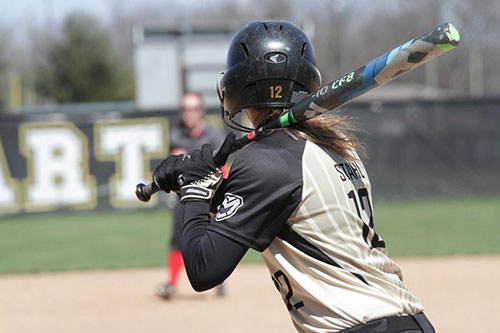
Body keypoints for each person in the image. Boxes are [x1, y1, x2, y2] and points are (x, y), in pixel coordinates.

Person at [152, 21, 435, 332]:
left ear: (235, 87)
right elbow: (265, 207)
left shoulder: (267, 161)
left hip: (360, 326)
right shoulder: (334, 147)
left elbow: (204, 268)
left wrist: (193, 191)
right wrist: (199, 185)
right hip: (399, 321)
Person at [155, 91, 226, 300]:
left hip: (211, 195)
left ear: (201, 111)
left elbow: (224, 166)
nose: (189, 113)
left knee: (213, 237)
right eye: (185, 109)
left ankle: (219, 282)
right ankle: (173, 283)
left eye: (194, 108)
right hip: (183, 195)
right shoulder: (176, 136)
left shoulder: (213, 135)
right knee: (177, 236)